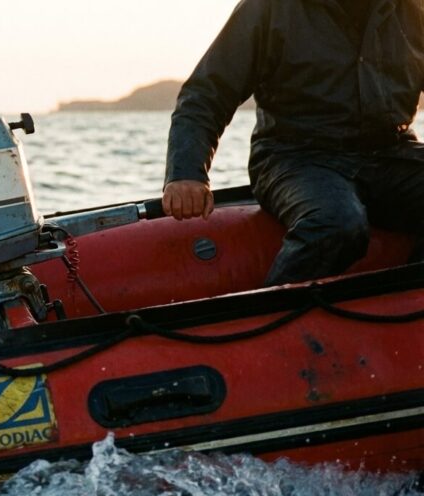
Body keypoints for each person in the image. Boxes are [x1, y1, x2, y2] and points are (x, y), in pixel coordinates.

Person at [162, 0, 424, 285]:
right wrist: (186, 173)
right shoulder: (268, 8)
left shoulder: (413, 9)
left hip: (390, 152)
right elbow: (206, 94)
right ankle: (266, 317)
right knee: (337, 225)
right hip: (294, 157)